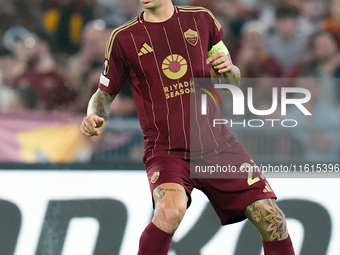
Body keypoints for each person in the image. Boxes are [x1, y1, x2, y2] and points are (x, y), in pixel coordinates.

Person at [80, 0, 295, 254]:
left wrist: (229, 69)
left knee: (273, 219)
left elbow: (232, 79)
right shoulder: (123, 38)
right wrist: (93, 114)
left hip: (218, 145)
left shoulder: (201, 20)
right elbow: (104, 94)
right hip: (167, 151)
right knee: (170, 211)